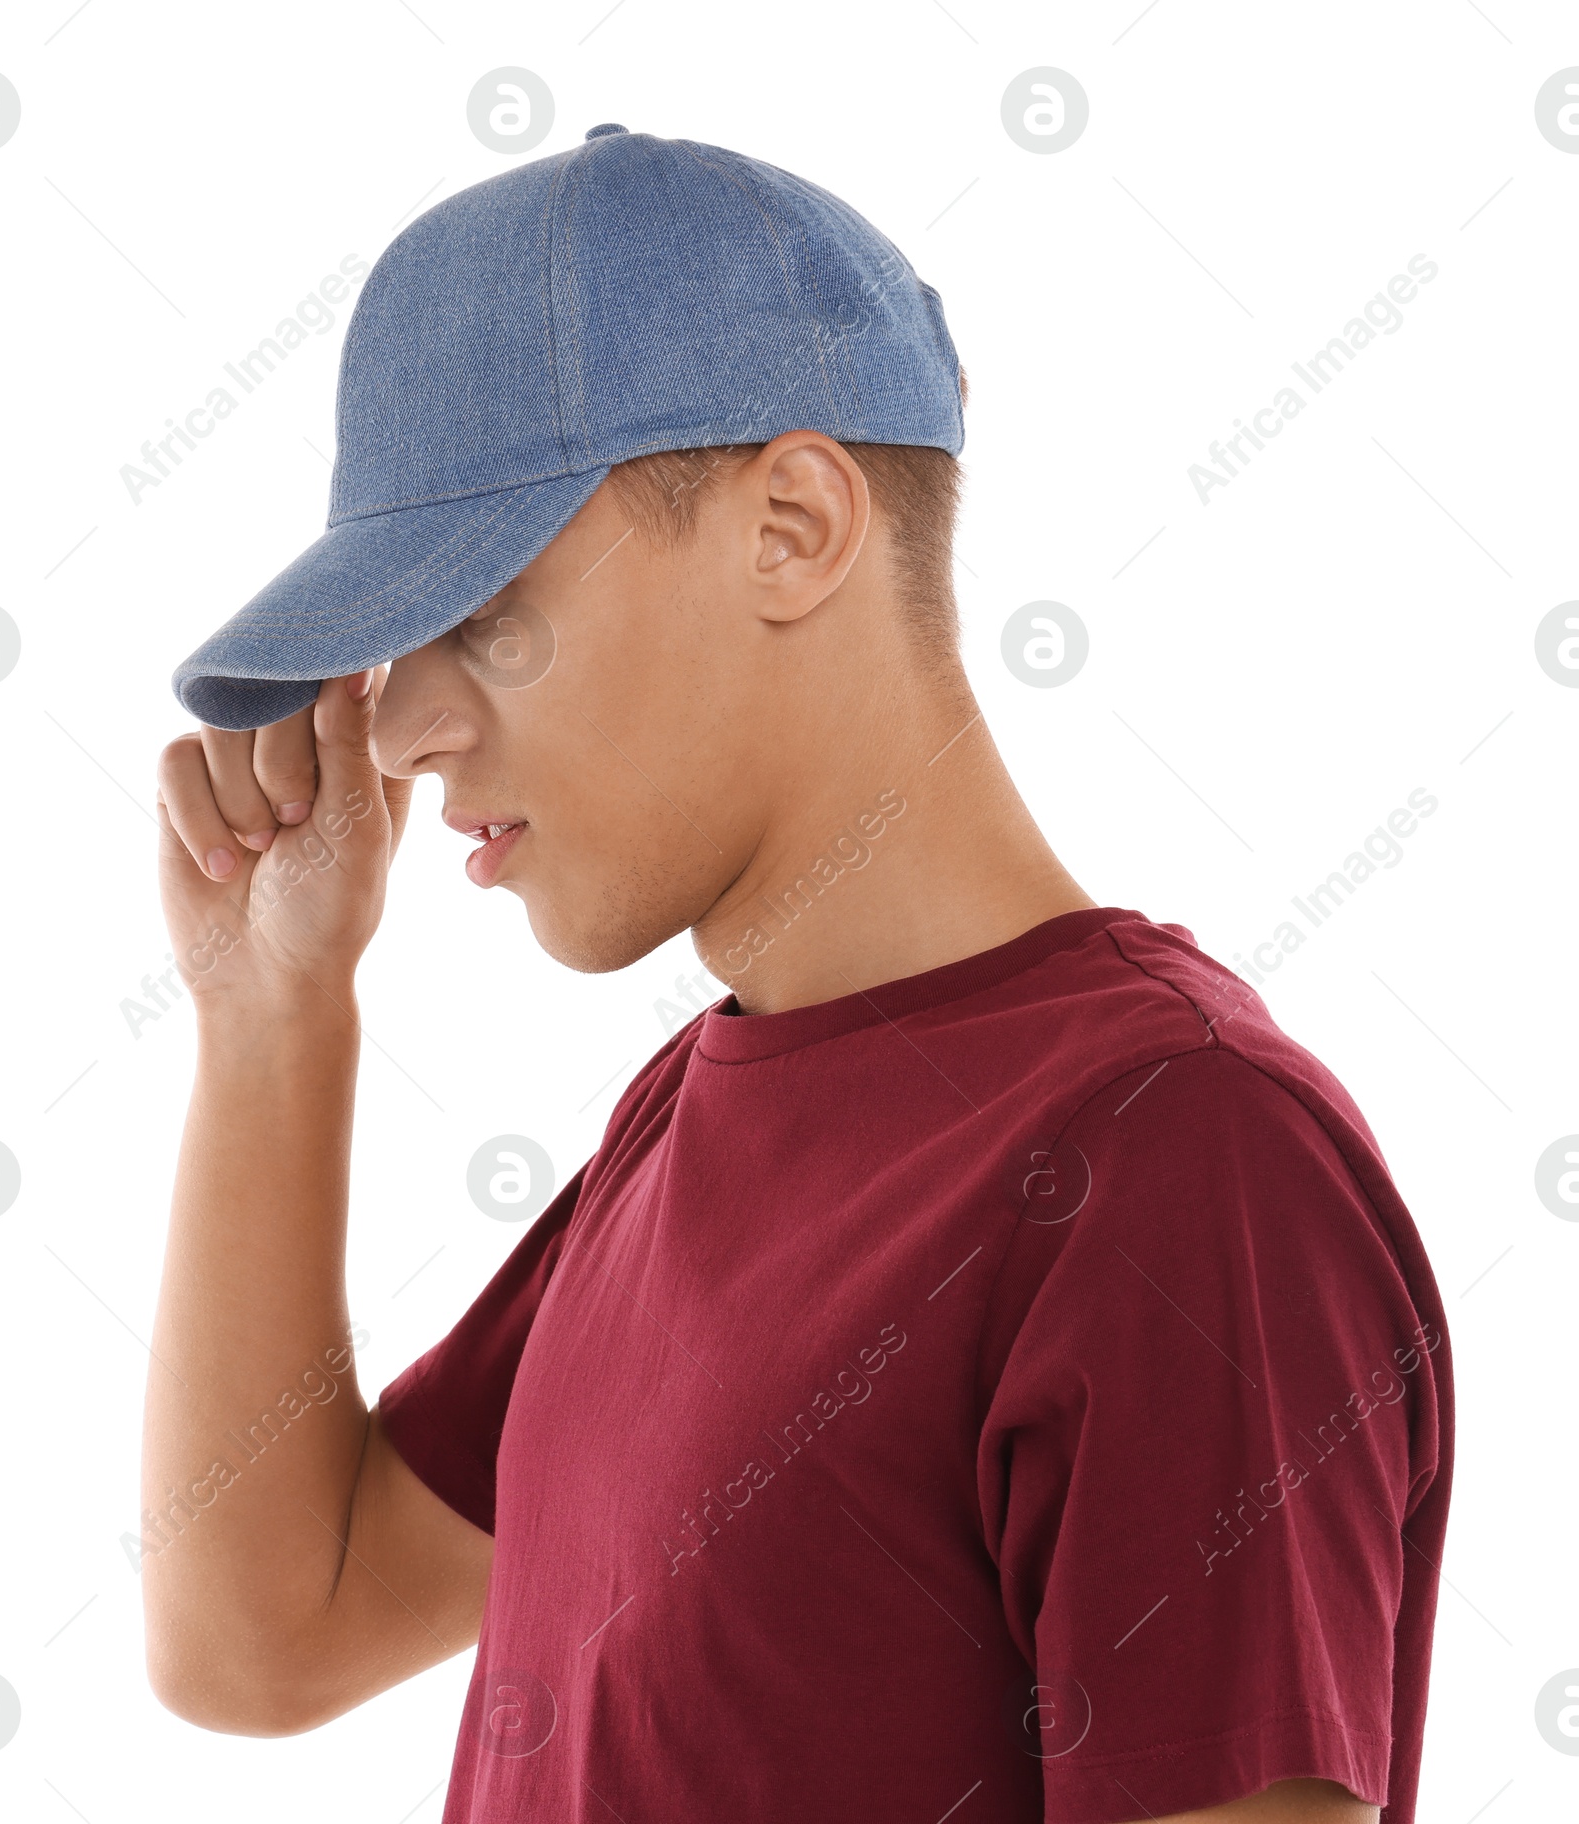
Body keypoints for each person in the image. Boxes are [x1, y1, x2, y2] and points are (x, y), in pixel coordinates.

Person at [146, 125, 1451, 1824]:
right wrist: (269, 1016)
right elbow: (262, 1638)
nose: (396, 726)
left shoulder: (1182, 1159)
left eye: (481, 611)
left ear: (792, 524)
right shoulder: (686, 1119)